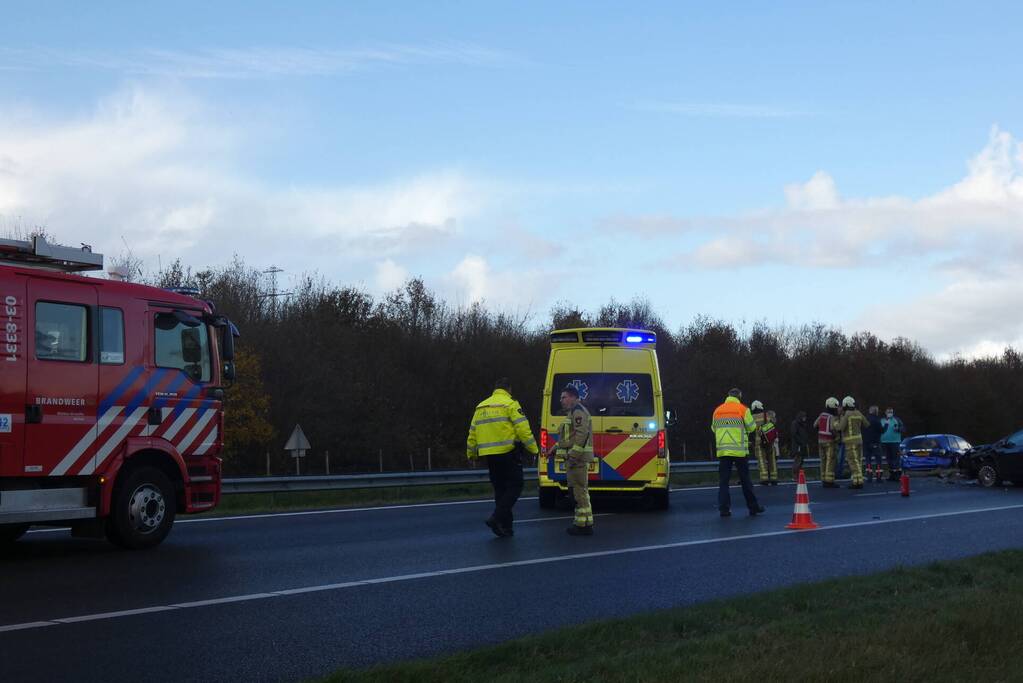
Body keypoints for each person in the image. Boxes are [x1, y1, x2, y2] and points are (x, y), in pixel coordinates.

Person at [466, 378, 539, 537]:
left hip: (489, 456)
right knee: (516, 486)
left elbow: (472, 433)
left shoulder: (481, 406)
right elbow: (523, 429)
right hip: (508, 453)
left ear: (495, 389)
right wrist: (534, 449)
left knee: (500, 490)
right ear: (509, 389)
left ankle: (506, 527)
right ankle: (496, 518)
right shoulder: (510, 404)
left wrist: (471, 454)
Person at [545, 384, 594, 535]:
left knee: (578, 492)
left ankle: (582, 526)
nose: (561, 400)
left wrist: (573, 456)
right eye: (561, 398)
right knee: (579, 491)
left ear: (573, 397)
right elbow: (567, 438)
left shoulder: (578, 411)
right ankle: (585, 523)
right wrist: (552, 450)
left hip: (576, 460)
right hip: (573, 459)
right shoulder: (572, 413)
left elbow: (581, 435)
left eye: (564, 397)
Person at [711, 388, 765, 517]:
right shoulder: (743, 409)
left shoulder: (717, 410)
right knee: (746, 481)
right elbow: (752, 428)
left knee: (723, 482)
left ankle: (724, 509)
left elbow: (713, 428)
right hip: (739, 451)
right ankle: (753, 507)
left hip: (724, 451)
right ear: (739, 397)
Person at [833, 396, 868, 488]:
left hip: (850, 442)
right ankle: (858, 480)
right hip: (859, 441)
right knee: (858, 461)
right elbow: (867, 424)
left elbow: (840, 428)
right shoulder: (858, 413)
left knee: (852, 461)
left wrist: (835, 422)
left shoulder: (847, 414)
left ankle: (857, 482)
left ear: (845, 404)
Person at [816, 397, 840, 487]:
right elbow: (833, 429)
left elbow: (815, 425)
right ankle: (829, 481)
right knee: (830, 460)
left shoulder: (821, 415)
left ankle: (823, 479)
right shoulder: (832, 417)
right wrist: (837, 437)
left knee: (823, 460)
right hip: (829, 441)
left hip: (820, 441)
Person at [750, 400, 775, 485]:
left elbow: (750, 429)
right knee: (772, 459)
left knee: (761, 460)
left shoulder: (752, 417)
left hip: (759, 442)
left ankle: (764, 478)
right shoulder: (767, 415)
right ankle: (774, 478)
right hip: (770, 441)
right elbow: (774, 424)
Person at [881, 407, 906, 481]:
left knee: (895, 458)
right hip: (884, 442)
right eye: (888, 412)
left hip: (895, 442)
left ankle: (898, 475)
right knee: (889, 459)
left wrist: (898, 429)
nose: (890, 413)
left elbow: (903, 428)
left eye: (891, 412)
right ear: (885, 412)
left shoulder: (897, 419)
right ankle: (892, 475)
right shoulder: (882, 420)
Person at [864, 405, 884, 482]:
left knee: (868, 459)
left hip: (866, 442)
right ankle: (878, 477)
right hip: (875, 442)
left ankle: (869, 477)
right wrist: (886, 426)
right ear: (876, 411)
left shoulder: (865, 419)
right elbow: (881, 430)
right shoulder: (876, 420)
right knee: (878, 459)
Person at [789, 410, 810, 480]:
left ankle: (800, 476)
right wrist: (801, 442)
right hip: (797, 446)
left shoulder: (803, 424)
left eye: (805, 417)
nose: (805, 418)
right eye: (803, 417)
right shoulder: (795, 423)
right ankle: (795, 476)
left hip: (802, 445)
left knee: (801, 461)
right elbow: (794, 434)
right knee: (797, 461)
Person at [763, 410, 780, 485]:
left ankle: (771, 478)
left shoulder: (768, 424)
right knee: (772, 463)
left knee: (771, 463)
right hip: (772, 447)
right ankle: (772, 478)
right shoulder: (770, 425)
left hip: (772, 446)